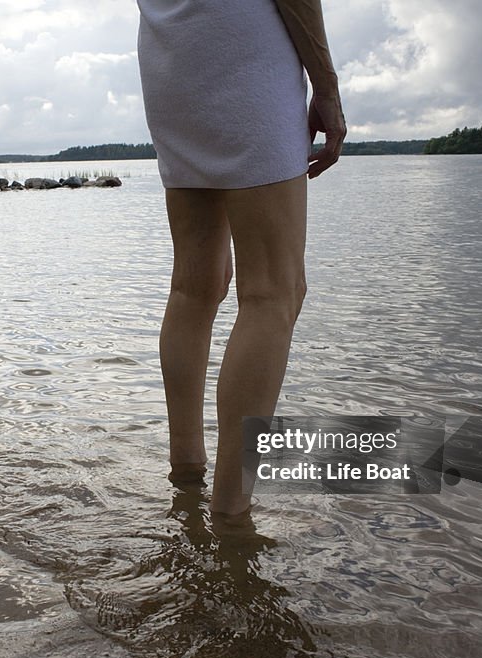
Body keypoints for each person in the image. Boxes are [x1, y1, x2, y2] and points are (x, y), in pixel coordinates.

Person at [137, 0, 346, 518]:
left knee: (195, 284)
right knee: (274, 292)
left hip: (172, 59)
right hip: (246, 57)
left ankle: (185, 471)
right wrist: (327, 86)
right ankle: (231, 512)